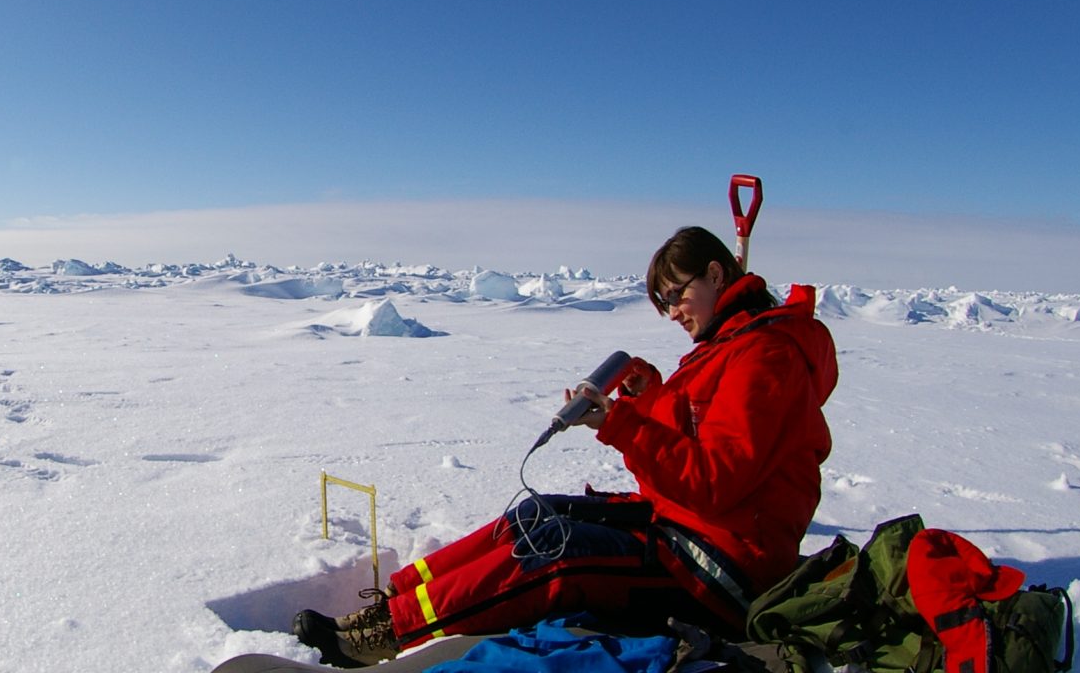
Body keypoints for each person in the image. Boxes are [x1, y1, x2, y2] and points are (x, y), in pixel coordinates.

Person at [293, 226, 838, 668]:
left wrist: (621, 425)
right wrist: (651, 394)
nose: (673, 312)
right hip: (687, 524)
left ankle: (386, 636)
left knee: (558, 557)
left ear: (716, 274)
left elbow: (716, 479)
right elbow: (699, 429)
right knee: (536, 515)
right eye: (663, 302)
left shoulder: (765, 356)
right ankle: (398, 599)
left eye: (676, 295)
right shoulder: (731, 343)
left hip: (726, 567)